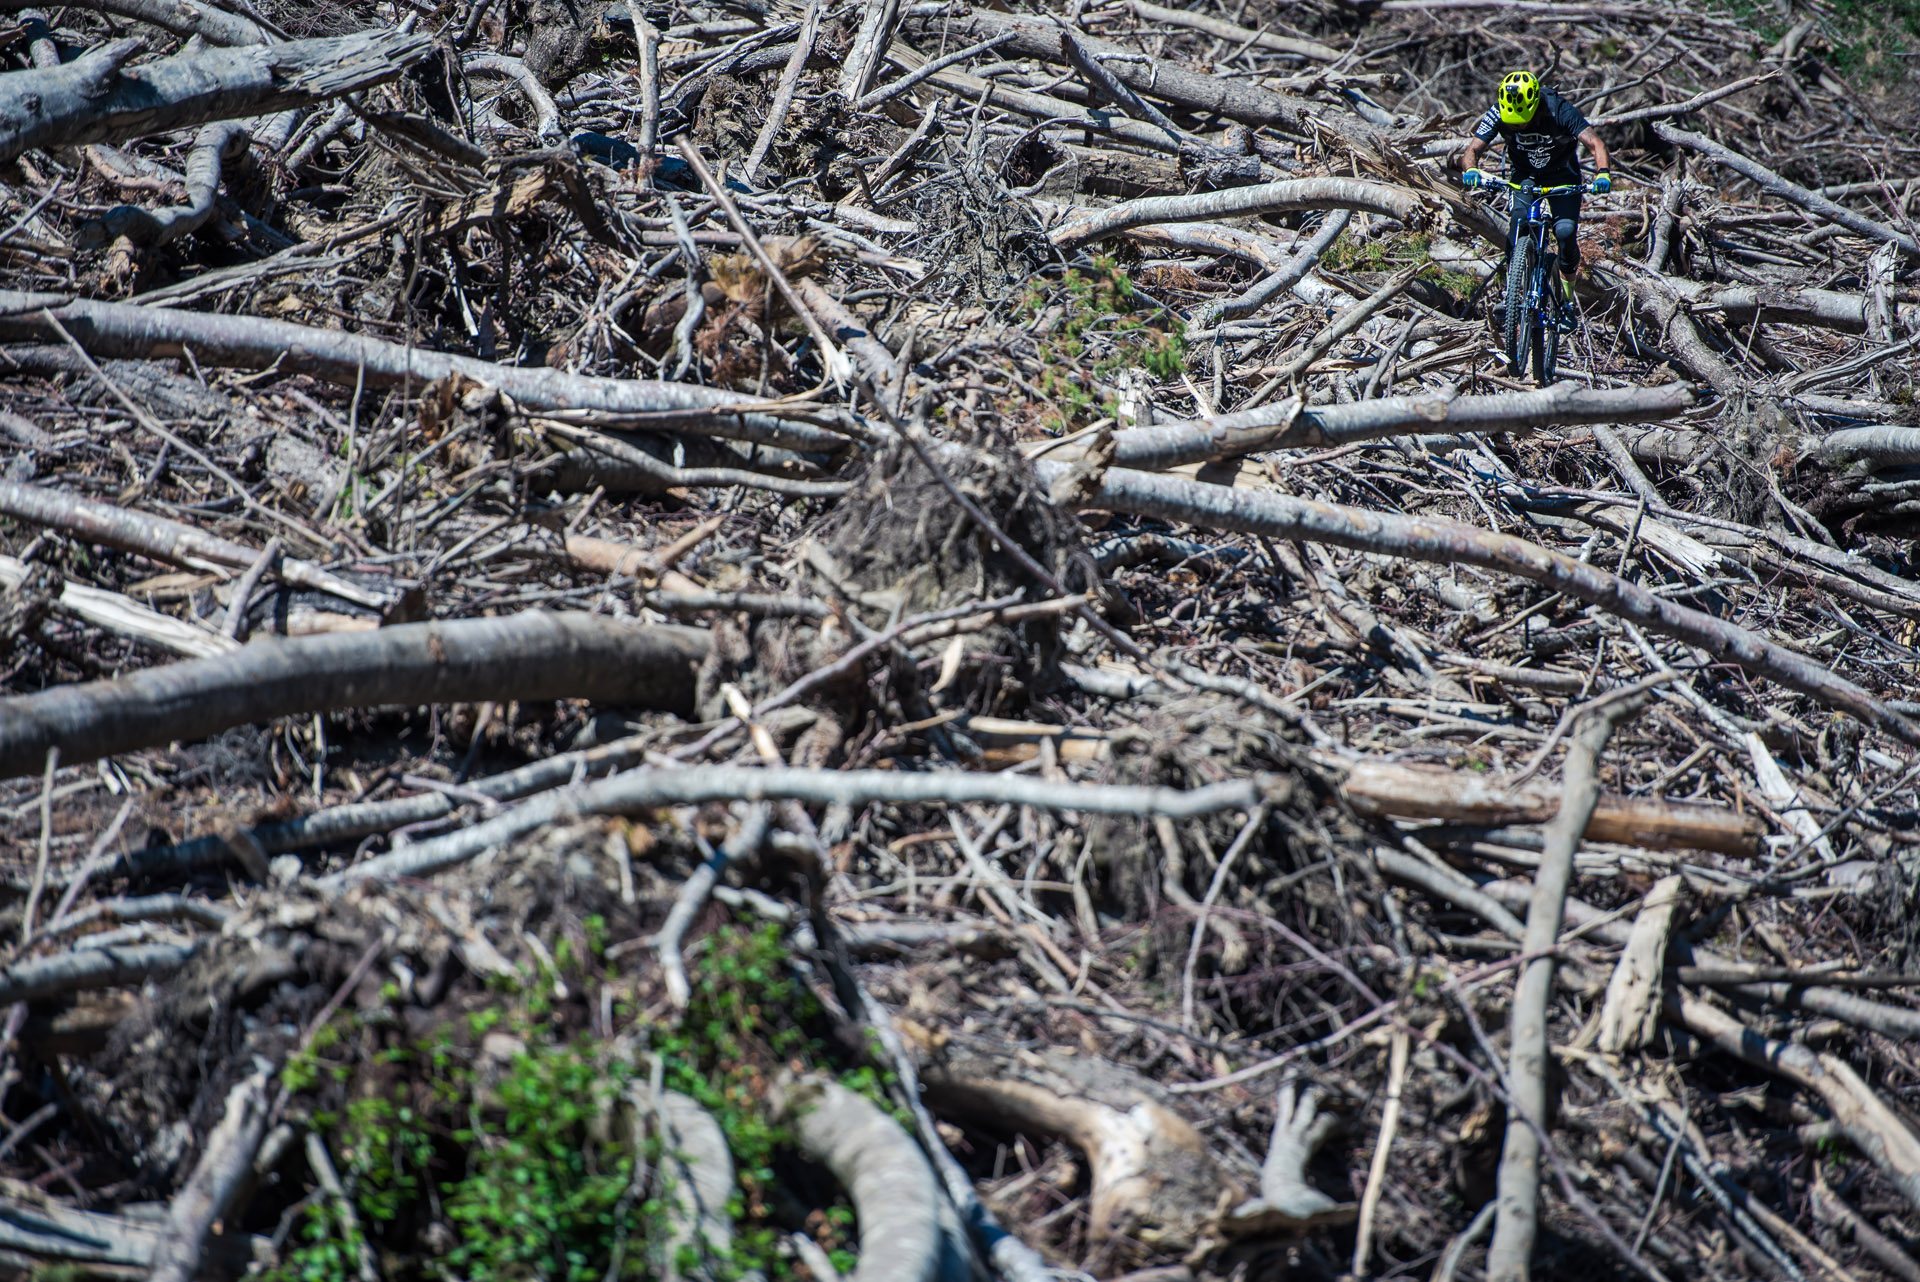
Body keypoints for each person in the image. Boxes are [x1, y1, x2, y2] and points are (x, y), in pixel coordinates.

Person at [1460, 71, 1610, 318]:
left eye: (1523, 120)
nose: (1518, 125)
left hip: (1562, 175)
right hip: (1525, 176)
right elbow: (1471, 151)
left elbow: (1596, 144)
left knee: (1565, 232)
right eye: (1514, 122)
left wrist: (1603, 173)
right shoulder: (1498, 111)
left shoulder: (1558, 109)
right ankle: (1513, 293)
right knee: (1518, 221)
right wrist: (1471, 170)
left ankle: (1566, 300)